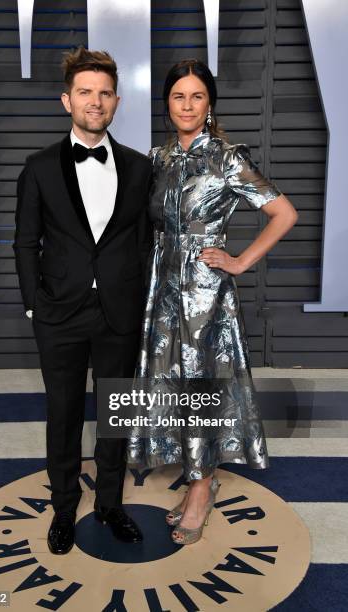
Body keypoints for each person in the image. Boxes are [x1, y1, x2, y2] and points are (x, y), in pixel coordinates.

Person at [127, 59, 298, 545]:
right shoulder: (157, 159)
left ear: (209, 105)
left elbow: (283, 213)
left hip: (205, 292)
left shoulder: (227, 158)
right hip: (161, 290)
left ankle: (201, 488)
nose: (187, 105)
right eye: (178, 96)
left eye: (196, 96)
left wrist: (240, 261)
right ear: (167, 104)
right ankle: (199, 473)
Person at [13, 47, 152, 554]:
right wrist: (35, 305)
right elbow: (26, 241)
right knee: (64, 413)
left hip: (119, 312)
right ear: (66, 100)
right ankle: (65, 509)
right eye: (86, 93)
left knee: (116, 414)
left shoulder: (139, 168)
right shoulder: (40, 167)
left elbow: (142, 242)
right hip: (59, 314)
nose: (96, 102)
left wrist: (136, 300)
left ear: (117, 101)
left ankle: (111, 504)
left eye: (105, 93)